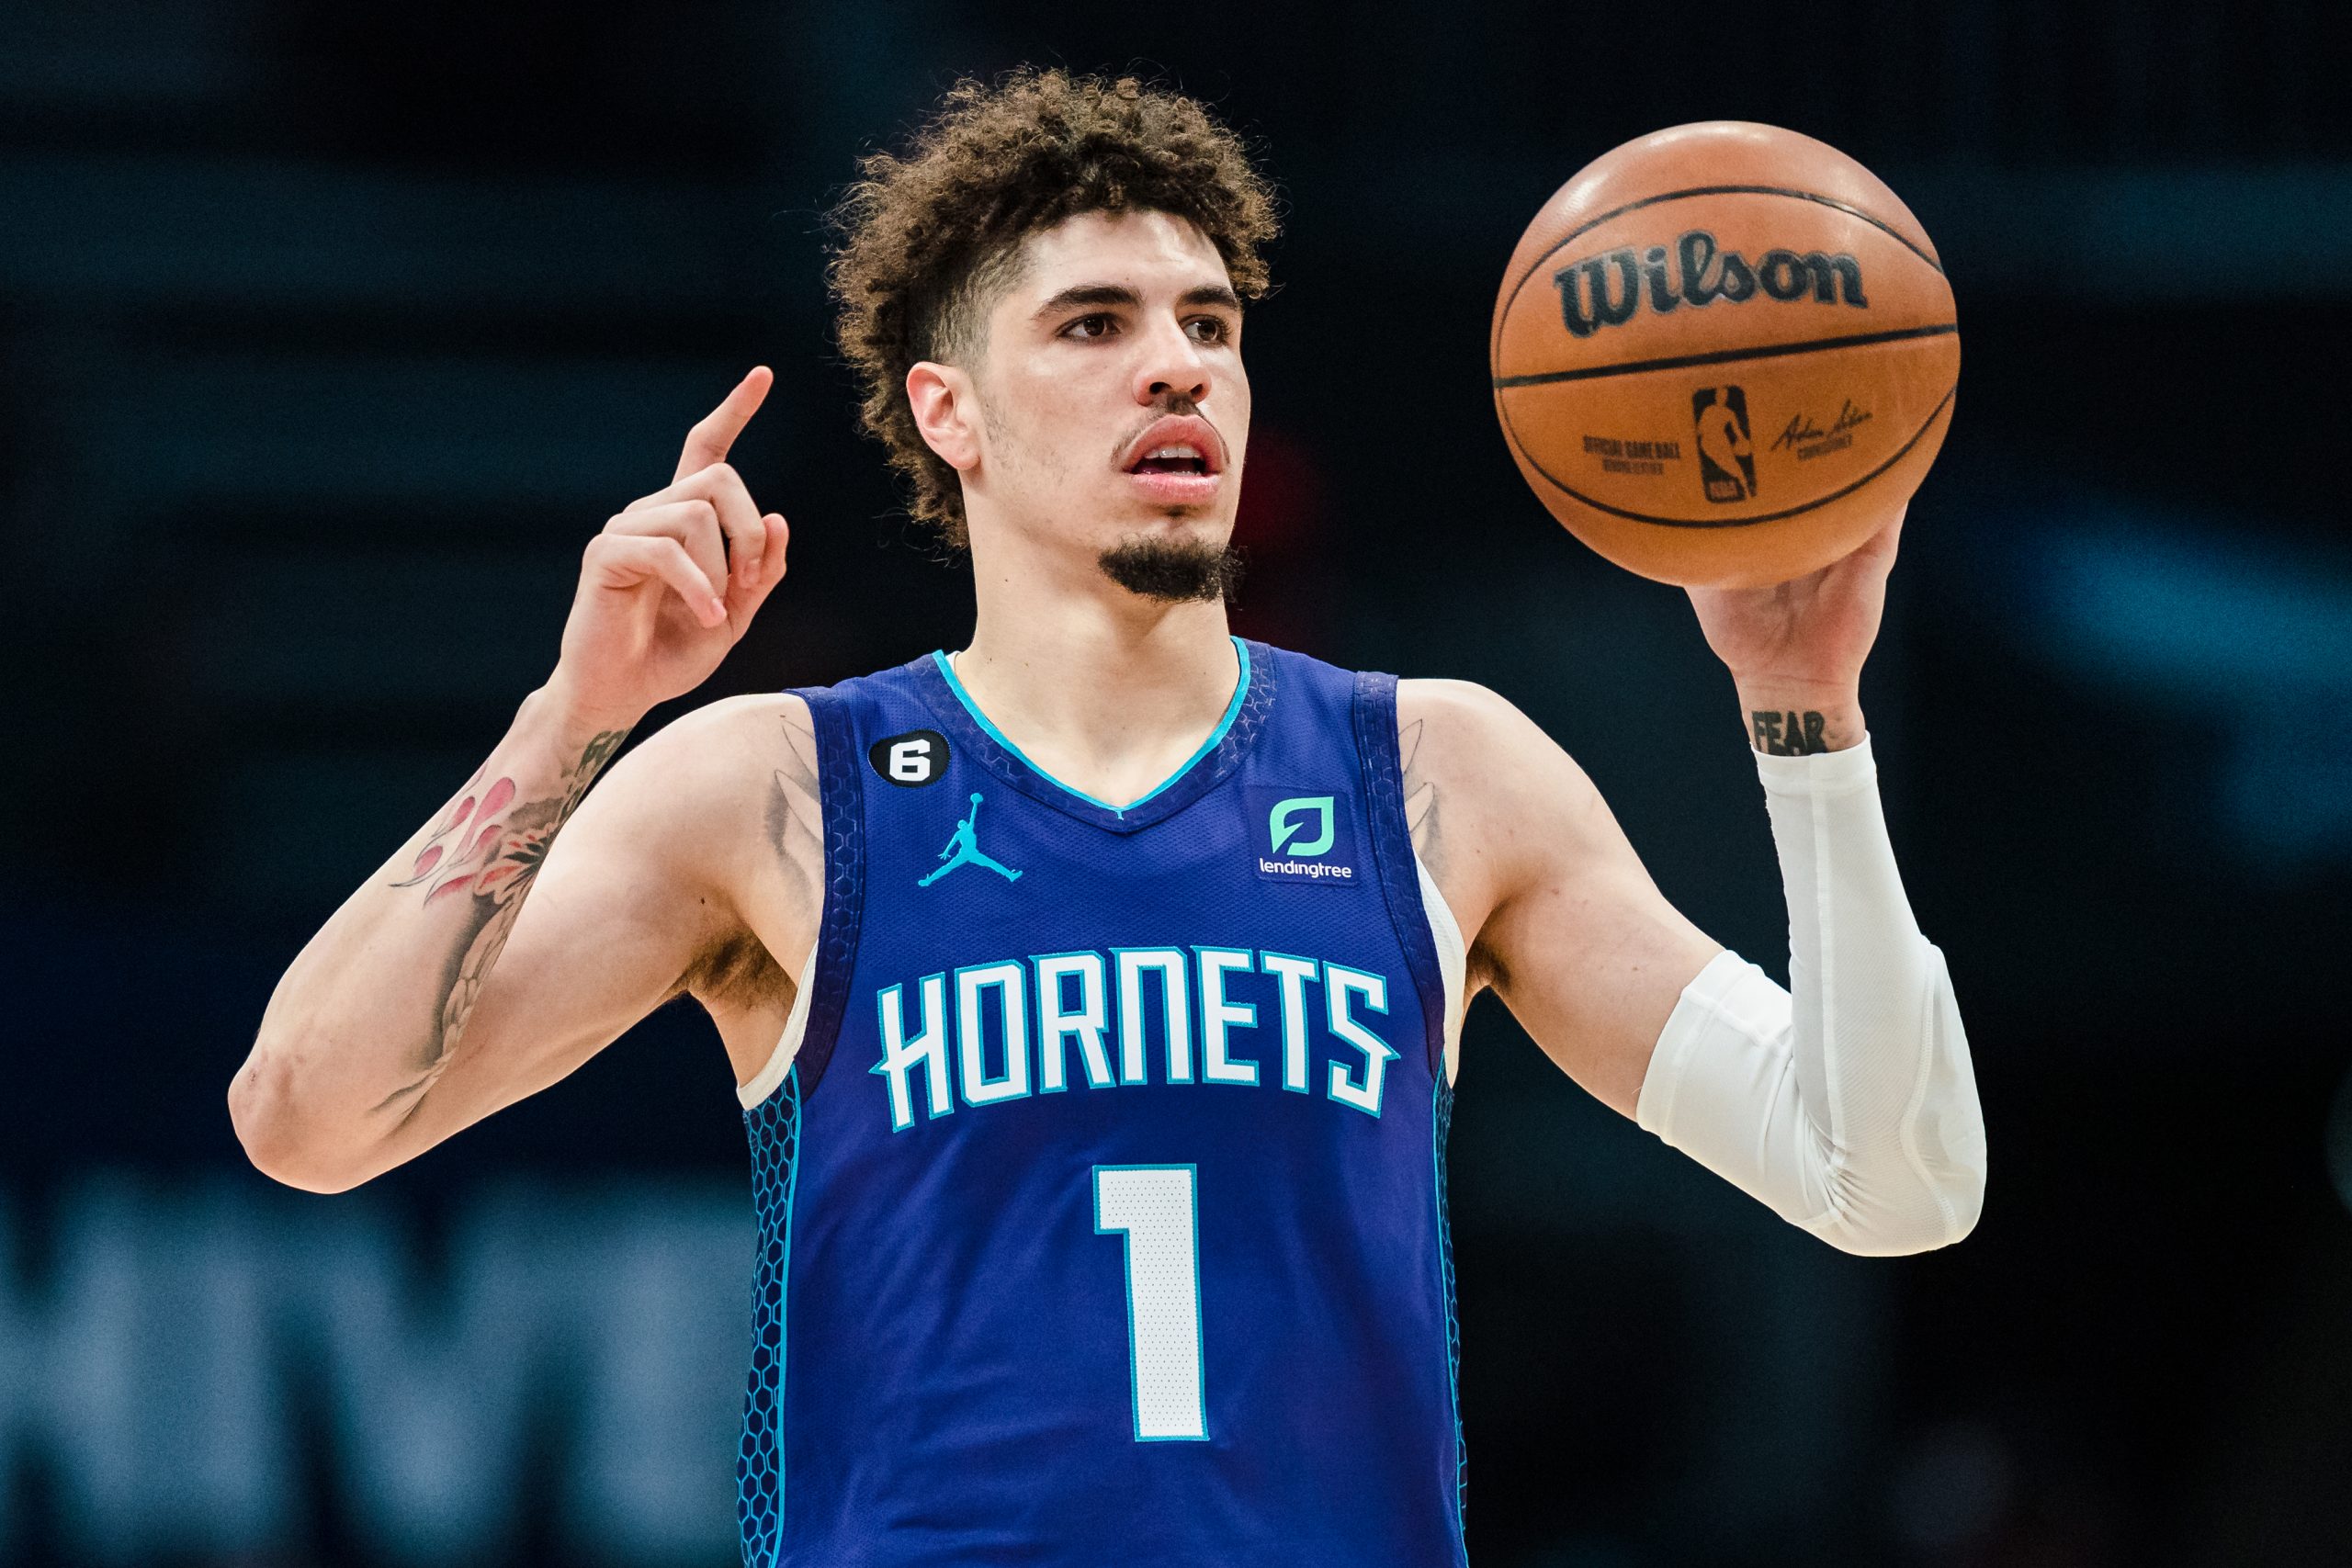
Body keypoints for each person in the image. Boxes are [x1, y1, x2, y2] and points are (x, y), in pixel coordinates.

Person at [230, 69, 1984, 1568]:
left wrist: (1807, 720)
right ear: (950, 411)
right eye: (1096, 324)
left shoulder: (1441, 775)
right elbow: (310, 1119)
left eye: (1209, 326)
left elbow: (1890, 1186)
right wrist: (578, 717)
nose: (1180, 370)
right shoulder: (778, 792)